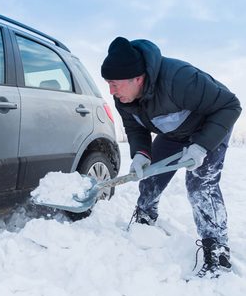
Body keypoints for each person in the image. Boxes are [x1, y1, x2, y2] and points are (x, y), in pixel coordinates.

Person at [101, 37, 242, 279]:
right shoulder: (123, 98)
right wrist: (141, 154)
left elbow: (230, 105)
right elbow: (135, 128)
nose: (111, 91)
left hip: (210, 127)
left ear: (137, 78)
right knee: (150, 175)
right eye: (108, 84)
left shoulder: (180, 79)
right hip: (174, 132)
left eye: (115, 84)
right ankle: (145, 216)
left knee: (200, 185)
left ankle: (217, 250)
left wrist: (201, 146)